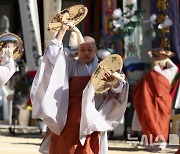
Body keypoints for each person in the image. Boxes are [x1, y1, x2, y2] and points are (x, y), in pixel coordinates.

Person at [30, 22, 129, 154]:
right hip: (70, 115)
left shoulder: (105, 68)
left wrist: (114, 83)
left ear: (95, 50)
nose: (86, 53)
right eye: (82, 49)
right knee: (67, 146)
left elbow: (120, 89)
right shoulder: (71, 65)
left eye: (89, 49)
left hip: (94, 115)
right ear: (77, 51)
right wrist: (62, 30)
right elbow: (53, 56)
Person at [132, 49, 178, 151]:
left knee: (152, 120)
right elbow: (173, 67)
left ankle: (151, 143)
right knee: (160, 122)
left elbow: (155, 69)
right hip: (160, 102)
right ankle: (158, 143)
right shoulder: (168, 72)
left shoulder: (155, 74)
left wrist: (155, 59)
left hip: (151, 103)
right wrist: (166, 59)